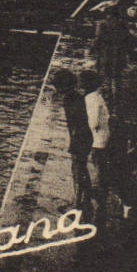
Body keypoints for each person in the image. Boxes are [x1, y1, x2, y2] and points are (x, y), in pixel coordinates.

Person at [51, 68, 95, 210]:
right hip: (83, 137)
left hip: (80, 138)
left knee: (77, 169)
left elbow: (76, 123)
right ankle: (85, 197)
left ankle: (77, 203)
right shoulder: (75, 97)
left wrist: (74, 143)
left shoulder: (70, 99)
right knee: (81, 168)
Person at [81, 67, 112, 218]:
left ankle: (99, 193)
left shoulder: (90, 99)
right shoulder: (98, 97)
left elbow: (92, 123)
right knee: (101, 164)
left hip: (97, 138)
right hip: (104, 135)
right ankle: (101, 189)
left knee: (97, 164)